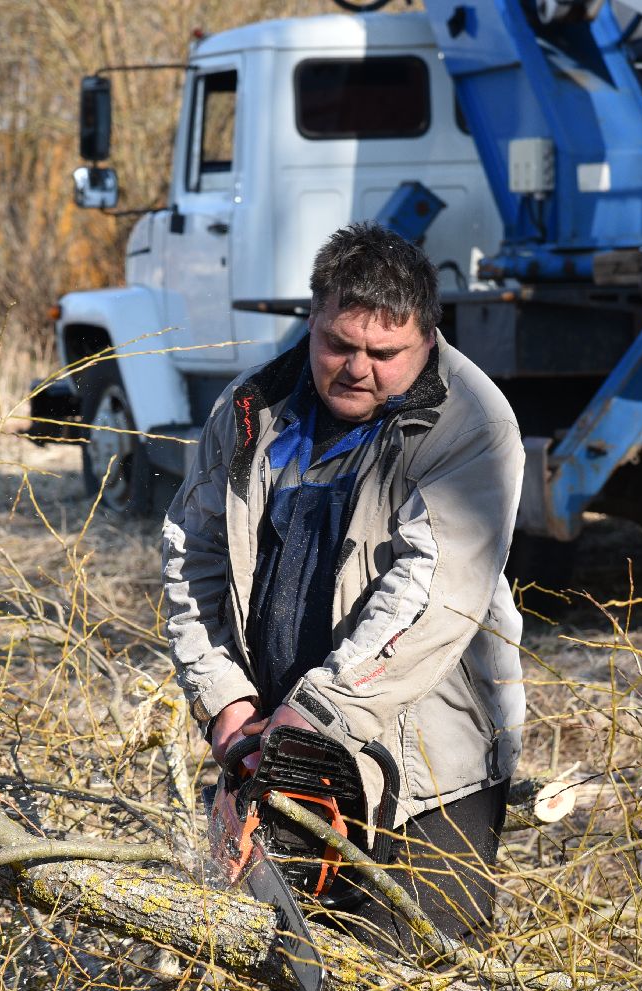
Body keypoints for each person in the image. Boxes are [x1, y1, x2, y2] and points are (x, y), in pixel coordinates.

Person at [161, 222, 526, 953]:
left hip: (428, 773)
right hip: (273, 750)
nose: (357, 368)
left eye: (384, 353)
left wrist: (314, 717)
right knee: (291, 981)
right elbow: (190, 554)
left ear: (427, 336)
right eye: (339, 345)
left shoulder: (470, 424)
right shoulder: (249, 412)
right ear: (312, 320)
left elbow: (429, 598)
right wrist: (224, 699)